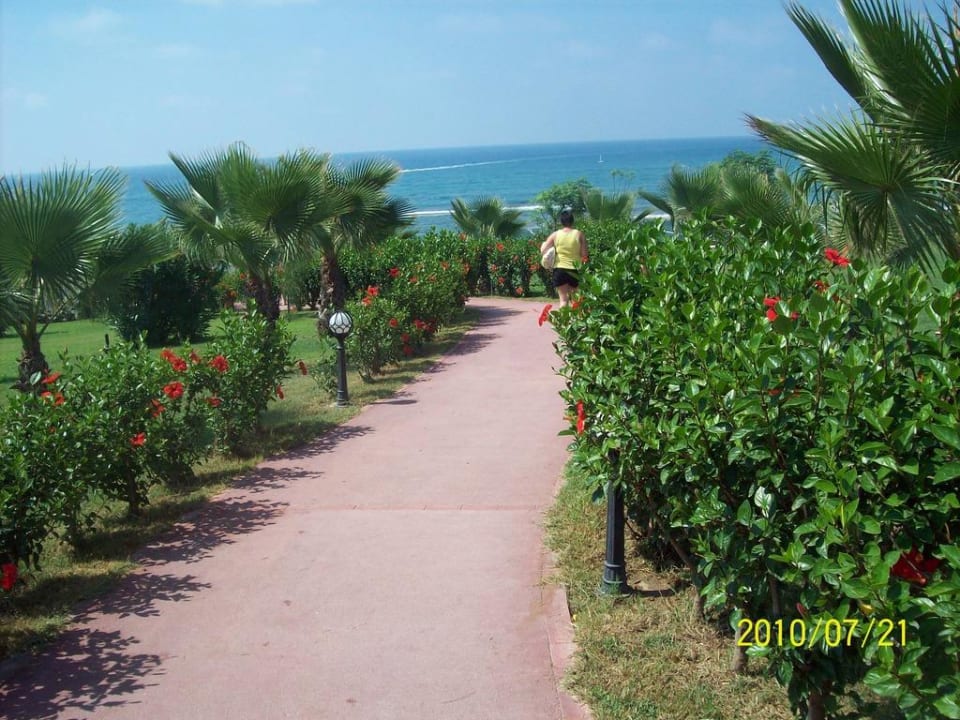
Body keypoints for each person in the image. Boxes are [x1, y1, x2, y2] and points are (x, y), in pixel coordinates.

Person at [540, 209, 587, 307]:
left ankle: (564, 322)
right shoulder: (579, 234)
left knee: (563, 300)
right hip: (575, 270)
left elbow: (543, 249)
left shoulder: (555, 234)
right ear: (572, 221)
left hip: (560, 269)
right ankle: (577, 321)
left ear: (561, 222)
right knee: (576, 301)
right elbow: (584, 255)